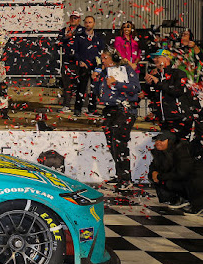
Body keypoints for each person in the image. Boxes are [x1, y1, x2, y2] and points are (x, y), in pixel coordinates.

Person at [93, 48, 141, 190]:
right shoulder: (103, 72)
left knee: (120, 143)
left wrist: (116, 84)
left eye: (105, 58)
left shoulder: (126, 69)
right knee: (112, 143)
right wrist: (96, 80)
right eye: (102, 58)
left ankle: (125, 179)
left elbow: (135, 88)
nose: (102, 61)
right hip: (109, 109)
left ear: (113, 58)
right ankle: (120, 175)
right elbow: (98, 92)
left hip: (124, 109)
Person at [149, 130, 203, 215]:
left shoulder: (182, 150)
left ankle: (198, 206)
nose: (158, 143)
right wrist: (154, 173)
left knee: (193, 180)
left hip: (195, 179)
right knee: (162, 180)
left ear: (170, 141)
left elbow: (182, 173)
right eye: (157, 140)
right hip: (182, 178)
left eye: (162, 140)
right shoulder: (160, 152)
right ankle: (180, 199)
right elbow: (154, 166)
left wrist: (159, 176)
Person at [145, 49, 195, 139]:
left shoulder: (178, 73)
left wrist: (158, 83)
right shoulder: (157, 77)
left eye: (158, 57)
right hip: (164, 120)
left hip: (180, 119)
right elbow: (153, 97)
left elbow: (177, 91)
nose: (155, 60)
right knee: (167, 150)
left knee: (181, 149)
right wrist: (148, 85)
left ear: (167, 59)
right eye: (154, 58)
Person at [74, 15, 104, 117]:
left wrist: (99, 66)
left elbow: (101, 52)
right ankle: (77, 109)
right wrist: (80, 61)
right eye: (86, 22)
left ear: (94, 23)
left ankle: (92, 109)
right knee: (81, 87)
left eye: (90, 22)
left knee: (94, 88)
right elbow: (75, 52)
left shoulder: (98, 38)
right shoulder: (79, 37)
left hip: (95, 66)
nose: (88, 24)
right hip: (83, 66)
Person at [57, 11, 85, 112]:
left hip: (79, 61)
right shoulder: (64, 30)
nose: (74, 20)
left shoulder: (83, 30)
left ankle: (81, 106)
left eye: (76, 18)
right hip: (67, 60)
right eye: (72, 18)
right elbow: (58, 42)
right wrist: (66, 36)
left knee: (81, 84)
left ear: (79, 19)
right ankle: (67, 105)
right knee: (67, 84)